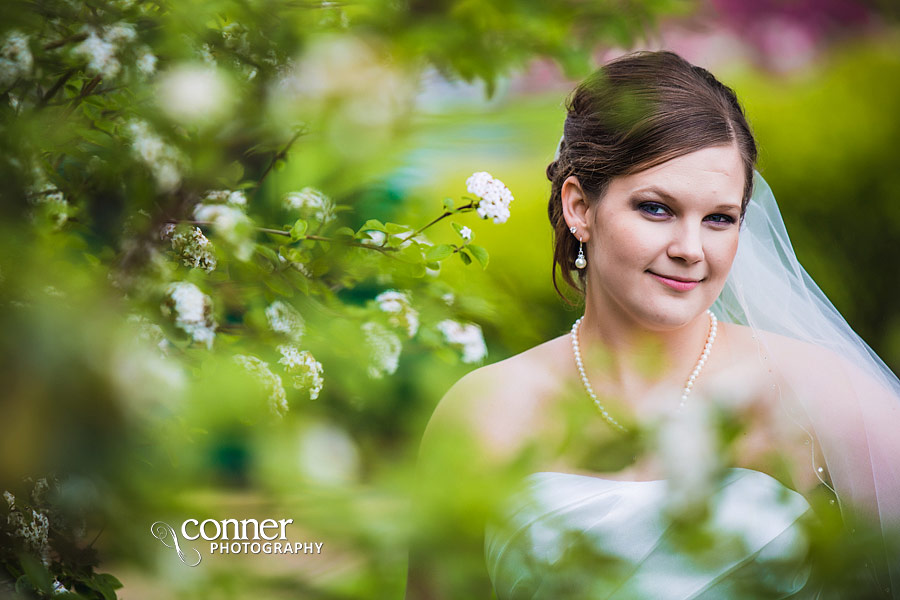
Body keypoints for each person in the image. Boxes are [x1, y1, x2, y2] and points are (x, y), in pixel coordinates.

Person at [406, 50, 900, 599]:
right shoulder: (483, 412)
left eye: (719, 219)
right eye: (657, 209)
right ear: (579, 207)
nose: (691, 250)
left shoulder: (817, 393)